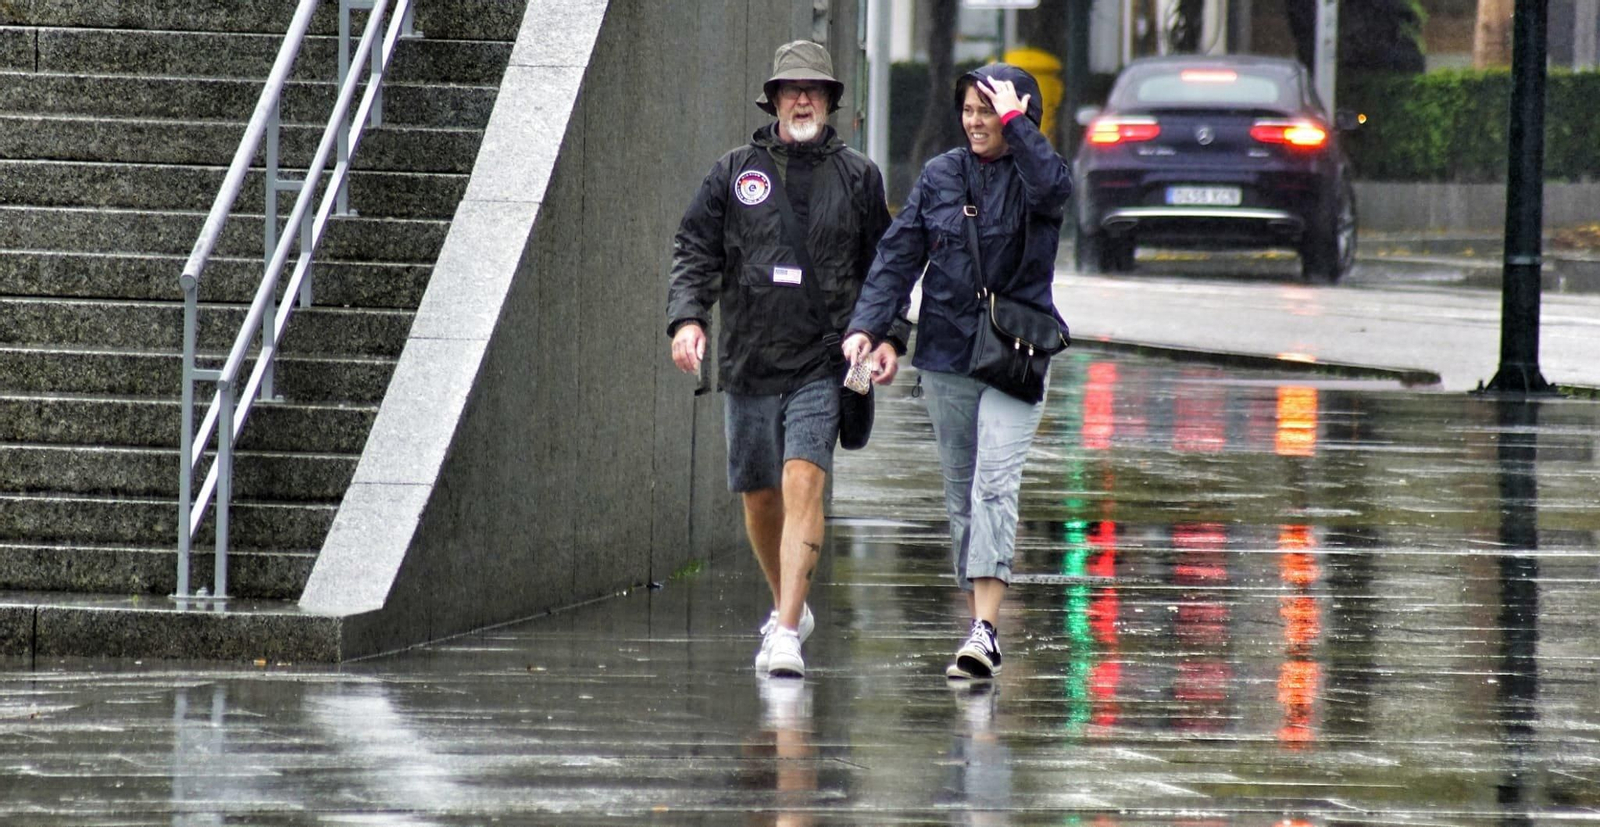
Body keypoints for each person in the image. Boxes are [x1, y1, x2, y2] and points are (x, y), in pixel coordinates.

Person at [666, 40, 905, 679]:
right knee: (759, 493)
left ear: (830, 100)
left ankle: (787, 634)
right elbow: (694, 247)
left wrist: (887, 337)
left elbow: (887, 268)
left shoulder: (860, 177)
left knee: (805, 476)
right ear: (773, 99)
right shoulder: (732, 170)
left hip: (826, 358)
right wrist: (688, 318)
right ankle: (786, 605)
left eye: (815, 89)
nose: (803, 98)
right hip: (748, 354)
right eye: (791, 88)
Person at [843, 63, 1072, 680]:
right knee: (962, 495)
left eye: (987, 110)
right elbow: (898, 256)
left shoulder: (1039, 177)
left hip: (1014, 358)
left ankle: (985, 630)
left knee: (995, 484)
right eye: (968, 110)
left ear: (1018, 115)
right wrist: (870, 327)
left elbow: (1053, 189)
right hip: (945, 355)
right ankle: (977, 620)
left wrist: (1016, 123)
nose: (975, 121)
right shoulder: (941, 175)